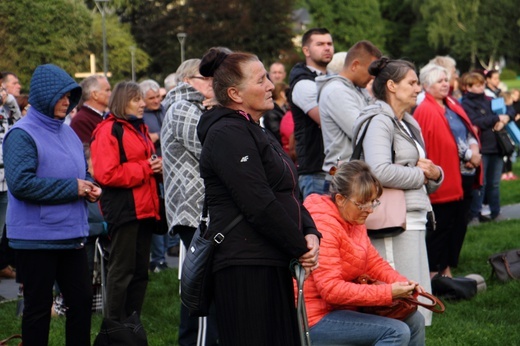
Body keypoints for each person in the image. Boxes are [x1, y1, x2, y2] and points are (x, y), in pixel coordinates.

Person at [196, 47, 321, 346]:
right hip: (244, 267)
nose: (270, 85)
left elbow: (286, 189)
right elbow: (258, 202)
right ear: (235, 94)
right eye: (261, 79)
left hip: (270, 259)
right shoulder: (227, 133)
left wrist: (309, 231)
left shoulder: (254, 129)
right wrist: (297, 246)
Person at [3, 64, 101, 346]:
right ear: (45, 96)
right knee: (37, 310)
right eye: (61, 96)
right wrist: (75, 188)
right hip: (36, 240)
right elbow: (21, 184)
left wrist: (91, 185)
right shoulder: (22, 134)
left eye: (70, 96)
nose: (67, 102)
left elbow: (79, 174)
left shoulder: (68, 132)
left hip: (71, 234)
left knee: (82, 303)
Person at [352, 57, 443, 326]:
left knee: (414, 298)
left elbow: (425, 168)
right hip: (392, 221)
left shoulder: (407, 122)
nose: (418, 88)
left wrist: (435, 174)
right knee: (400, 305)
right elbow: (377, 170)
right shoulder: (380, 120)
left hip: (412, 216)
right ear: (391, 85)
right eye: (412, 82)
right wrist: (419, 174)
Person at [303, 161, 425, 345]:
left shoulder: (353, 220)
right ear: (340, 199)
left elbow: (373, 262)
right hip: (315, 318)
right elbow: (331, 290)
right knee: (396, 332)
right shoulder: (324, 225)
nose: (369, 210)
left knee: (415, 320)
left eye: (373, 202)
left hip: (341, 310)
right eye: (362, 204)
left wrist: (402, 284)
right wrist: (388, 292)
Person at [90, 81, 162, 322]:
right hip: (124, 210)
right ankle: (114, 327)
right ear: (123, 102)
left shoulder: (138, 128)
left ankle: (132, 324)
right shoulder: (108, 130)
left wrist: (157, 167)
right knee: (122, 271)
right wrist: (146, 168)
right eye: (136, 100)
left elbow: (146, 163)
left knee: (140, 272)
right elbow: (106, 174)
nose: (143, 104)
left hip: (145, 210)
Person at [161, 58, 219, 346]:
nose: (213, 82)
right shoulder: (182, 107)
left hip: (202, 213)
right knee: (201, 293)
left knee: (205, 287)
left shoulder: (197, 107)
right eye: (205, 77)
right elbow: (213, 149)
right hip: (192, 212)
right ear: (187, 81)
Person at [413, 64, 482, 279]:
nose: (445, 84)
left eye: (446, 80)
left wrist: (473, 149)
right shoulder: (425, 109)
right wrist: (469, 156)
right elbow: (431, 145)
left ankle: (447, 266)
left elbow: (467, 130)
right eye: (439, 81)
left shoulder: (452, 103)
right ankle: (436, 272)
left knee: (458, 222)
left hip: (464, 173)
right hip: (446, 176)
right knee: (441, 225)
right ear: (426, 85)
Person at [318, 40, 381, 172]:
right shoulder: (336, 91)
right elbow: (363, 131)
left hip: (354, 176)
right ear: (355, 65)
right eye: (370, 70)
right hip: (344, 180)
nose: (372, 77)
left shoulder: (357, 89)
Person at [289, 28, 334, 198]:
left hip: (332, 168)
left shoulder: (333, 78)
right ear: (306, 50)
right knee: (318, 224)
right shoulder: (303, 84)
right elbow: (328, 120)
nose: (327, 48)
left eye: (329, 43)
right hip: (315, 170)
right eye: (320, 44)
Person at [461, 72, 510, 222]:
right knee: (481, 184)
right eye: (477, 85)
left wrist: (504, 119)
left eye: (482, 84)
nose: (481, 87)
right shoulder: (465, 103)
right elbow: (475, 121)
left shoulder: (490, 99)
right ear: (468, 87)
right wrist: (496, 118)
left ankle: (495, 212)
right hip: (481, 147)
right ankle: (475, 214)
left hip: (497, 145)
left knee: (494, 183)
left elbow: (509, 110)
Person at [70, 75, 111, 143]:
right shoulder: (80, 122)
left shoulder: (106, 117)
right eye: (107, 90)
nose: (110, 94)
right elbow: (88, 151)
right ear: (95, 94)